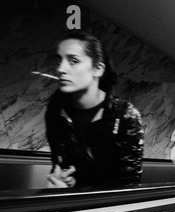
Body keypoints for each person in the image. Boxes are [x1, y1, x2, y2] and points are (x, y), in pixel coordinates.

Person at [45, 30, 144, 189]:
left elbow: (129, 186)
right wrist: (59, 180)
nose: (61, 69)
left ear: (97, 69)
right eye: (59, 61)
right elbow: (59, 165)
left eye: (73, 61)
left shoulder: (124, 115)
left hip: (109, 209)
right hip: (69, 209)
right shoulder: (56, 111)